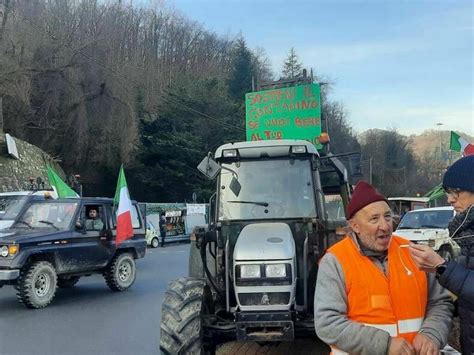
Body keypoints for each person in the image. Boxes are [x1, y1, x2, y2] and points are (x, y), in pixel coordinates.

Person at [314, 181, 453, 355]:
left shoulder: (413, 253)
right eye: (374, 219)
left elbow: (440, 302)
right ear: (355, 226)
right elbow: (328, 323)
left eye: (387, 217)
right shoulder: (335, 261)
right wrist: (384, 344)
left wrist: (432, 334)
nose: (385, 225)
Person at [409, 155, 474, 355]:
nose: (450, 199)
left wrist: (441, 267)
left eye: (457, 191)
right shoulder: (467, 236)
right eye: (448, 192)